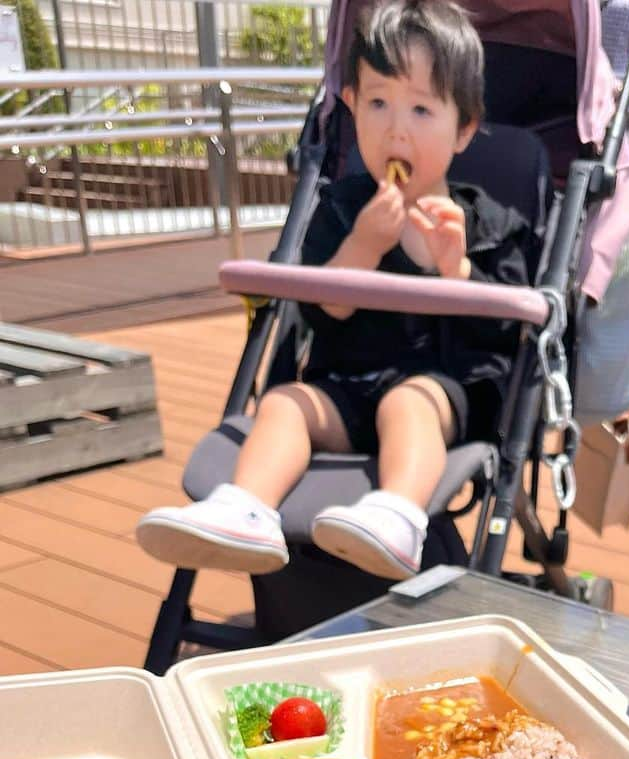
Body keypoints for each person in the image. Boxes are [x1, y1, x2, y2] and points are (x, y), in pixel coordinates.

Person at [137, 0, 532, 581]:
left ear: (464, 128)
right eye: (378, 103)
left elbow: (510, 334)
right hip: (345, 388)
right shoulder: (345, 208)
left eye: (422, 109)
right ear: (350, 106)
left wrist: (458, 272)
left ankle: (399, 517)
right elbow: (327, 308)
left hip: (441, 398)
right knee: (284, 403)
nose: (396, 127)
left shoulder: (489, 225)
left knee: (409, 402)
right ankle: (244, 509)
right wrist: (364, 249)